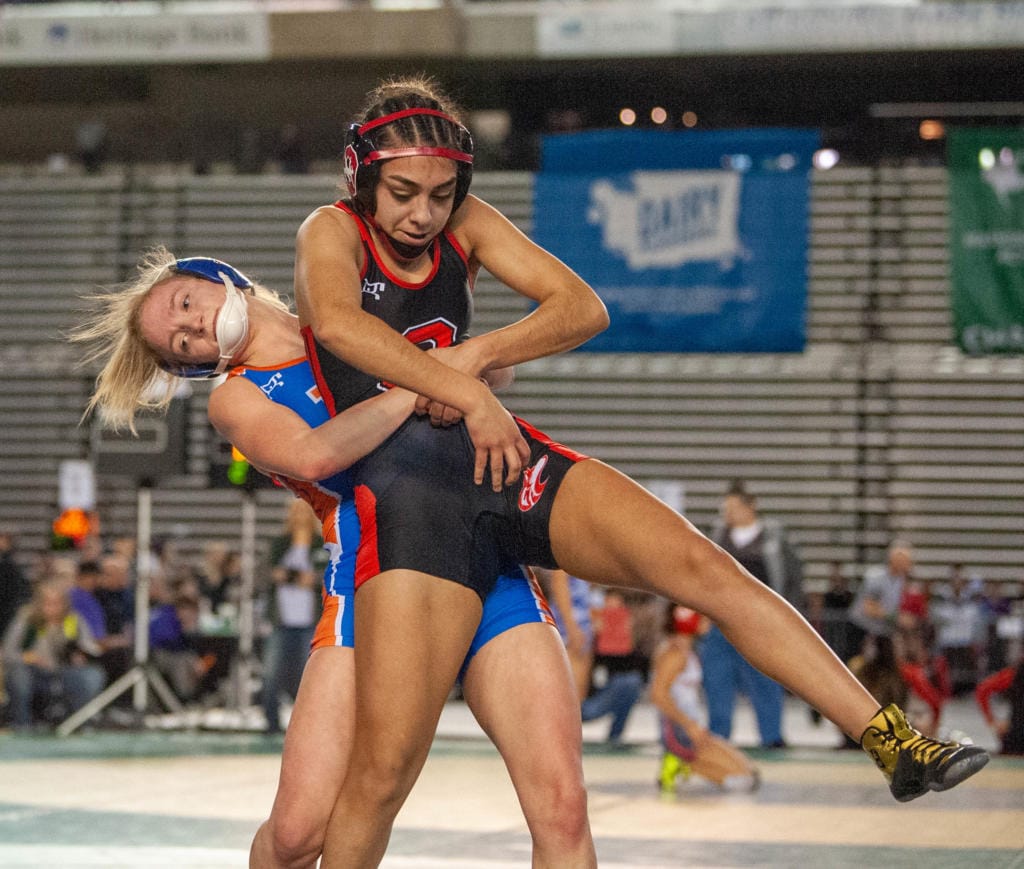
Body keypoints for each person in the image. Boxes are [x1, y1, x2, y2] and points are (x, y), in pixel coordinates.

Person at [292, 75, 987, 864]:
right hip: (411, 502)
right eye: (404, 192)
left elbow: (583, 306)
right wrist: (460, 387)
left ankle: (891, 740)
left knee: (704, 566)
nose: (423, 213)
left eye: (443, 194)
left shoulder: (467, 226)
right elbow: (338, 325)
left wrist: (478, 357)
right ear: (362, 176)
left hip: (503, 462)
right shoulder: (333, 228)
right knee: (383, 774)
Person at [72, 249, 595, 868]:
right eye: (181, 344)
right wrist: (422, 379)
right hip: (370, 578)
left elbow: (488, 374)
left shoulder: (354, 317)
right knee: (297, 837)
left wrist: (461, 357)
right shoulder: (234, 399)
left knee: (562, 810)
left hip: (486, 563)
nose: (193, 330)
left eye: (185, 306)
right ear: (191, 368)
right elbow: (318, 455)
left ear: (218, 276)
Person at [702, 479, 805, 748]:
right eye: (725, 509)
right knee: (717, 679)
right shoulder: (717, 536)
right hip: (721, 620)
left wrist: (788, 613)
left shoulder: (773, 538)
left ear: (751, 507)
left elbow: (793, 577)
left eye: (733, 508)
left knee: (765, 677)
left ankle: (771, 735)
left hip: (760, 622)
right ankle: (718, 736)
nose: (728, 514)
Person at [649, 604, 759, 796]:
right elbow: (658, 695)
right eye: (703, 617)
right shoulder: (674, 654)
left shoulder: (685, 651)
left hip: (689, 726)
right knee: (743, 780)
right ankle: (681, 761)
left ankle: (681, 762)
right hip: (680, 730)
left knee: (748, 771)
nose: (708, 621)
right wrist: (689, 725)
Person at [542, 569, 643, 746]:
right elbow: (559, 587)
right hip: (571, 628)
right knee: (569, 694)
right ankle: (560, 740)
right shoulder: (564, 565)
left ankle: (566, 738)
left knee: (576, 694)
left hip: (580, 626)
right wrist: (571, 627)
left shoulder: (586, 583)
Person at [2, 579, 106, 730]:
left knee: (92, 675)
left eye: (57, 602)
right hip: (33, 674)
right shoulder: (27, 620)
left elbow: (90, 647)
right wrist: (29, 658)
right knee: (18, 674)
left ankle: (80, 722)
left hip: (64, 672)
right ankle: (21, 724)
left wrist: (82, 655)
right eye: (47, 602)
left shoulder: (73, 620)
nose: (52, 607)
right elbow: (7, 653)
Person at [261, 499, 321, 734]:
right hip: (281, 620)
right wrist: (299, 578)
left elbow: (322, 577)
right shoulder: (279, 545)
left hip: (310, 620)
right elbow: (269, 573)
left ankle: (307, 727)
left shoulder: (321, 545)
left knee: (308, 679)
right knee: (270, 675)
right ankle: (272, 724)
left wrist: (299, 578)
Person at [975, 656, 1024, 756]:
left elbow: (983, 690)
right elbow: (983, 690)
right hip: (1016, 736)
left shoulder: (1013, 674)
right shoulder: (1014, 674)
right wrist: (992, 721)